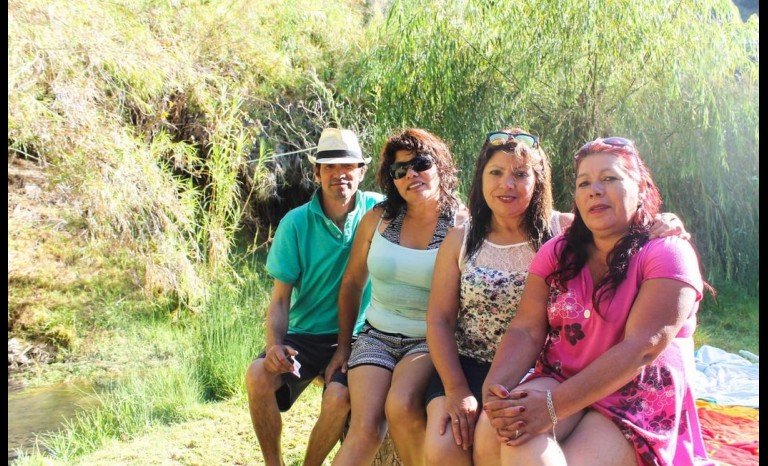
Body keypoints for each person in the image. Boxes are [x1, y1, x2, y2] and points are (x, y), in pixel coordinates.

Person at [424, 129, 690, 466]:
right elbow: (526, 329)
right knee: (498, 429)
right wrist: (496, 390)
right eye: (584, 183)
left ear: (641, 189)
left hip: (632, 392)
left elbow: (642, 347)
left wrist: (550, 407)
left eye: (609, 178)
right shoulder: (560, 250)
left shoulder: (667, 251)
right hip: (561, 375)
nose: (595, 190)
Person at [329, 128, 469, 466]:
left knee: (402, 404)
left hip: (429, 339)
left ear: (441, 167)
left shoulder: (462, 224)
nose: (411, 175)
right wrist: (345, 345)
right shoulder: (379, 218)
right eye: (400, 170)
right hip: (375, 336)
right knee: (364, 426)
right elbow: (351, 284)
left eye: (420, 163)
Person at [244, 128, 384, 466]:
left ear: (362, 171)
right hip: (306, 334)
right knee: (258, 374)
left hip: (359, 335)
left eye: (348, 166)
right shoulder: (295, 223)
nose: (340, 175)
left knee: (340, 396)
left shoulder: (379, 211)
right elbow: (280, 300)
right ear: (316, 173)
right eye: (330, 167)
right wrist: (275, 344)